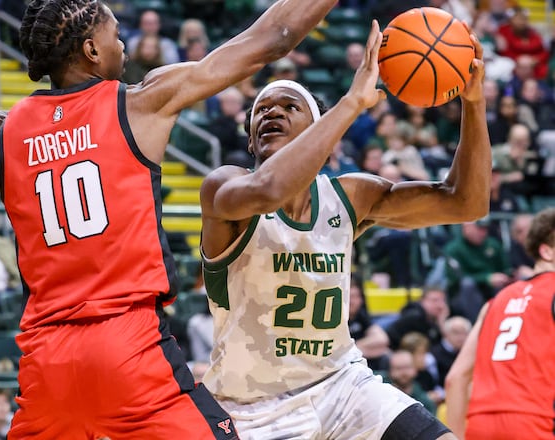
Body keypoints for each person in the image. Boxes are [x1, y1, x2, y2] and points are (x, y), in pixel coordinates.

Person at [0, 0, 339, 436]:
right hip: (129, 346)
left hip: (47, 360)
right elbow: (271, 39)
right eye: (114, 32)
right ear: (90, 50)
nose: (122, 40)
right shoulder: (139, 103)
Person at [197, 19, 490, 439]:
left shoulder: (349, 197)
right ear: (249, 142)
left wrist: (474, 102)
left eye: (288, 107)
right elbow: (269, 189)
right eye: (261, 111)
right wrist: (353, 101)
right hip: (254, 407)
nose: (272, 113)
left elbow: (467, 202)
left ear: (319, 132)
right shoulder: (225, 187)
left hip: (343, 383)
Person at [445, 207, 555, 439]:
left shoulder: (494, 302)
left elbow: (455, 379)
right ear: (546, 251)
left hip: (480, 424)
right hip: (536, 422)